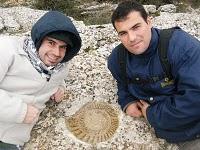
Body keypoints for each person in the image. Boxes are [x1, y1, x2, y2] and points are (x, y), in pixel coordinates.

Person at [108, 0, 200, 149]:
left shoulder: (181, 46)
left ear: (149, 22)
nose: (131, 38)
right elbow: (121, 82)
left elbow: (196, 99)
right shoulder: (117, 60)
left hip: (193, 130)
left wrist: (152, 114)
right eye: (123, 33)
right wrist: (127, 100)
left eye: (136, 27)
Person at [0, 10, 81, 149]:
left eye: (63, 47)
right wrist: (20, 111)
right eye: (51, 43)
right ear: (39, 39)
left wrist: (60, 87)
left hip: (13, 138)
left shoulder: (61, 67)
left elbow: (54, 79)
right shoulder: (7, 49)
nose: (56, 53)